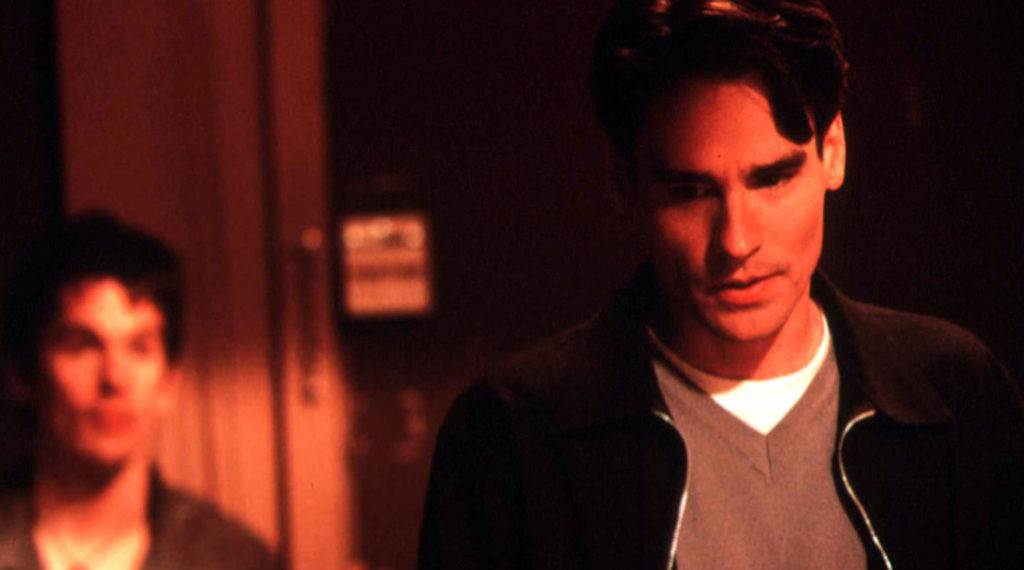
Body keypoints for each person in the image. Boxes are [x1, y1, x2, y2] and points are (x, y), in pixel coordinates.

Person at [418, 1, 1024, 568]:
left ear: (833, 151)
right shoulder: (511, 441)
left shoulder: (956, 395)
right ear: (625, 186)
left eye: (773, 180)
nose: (736, 241)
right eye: (690, 192)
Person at [0, 213, 278, 570]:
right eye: (82, 346)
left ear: (169, 381)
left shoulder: (235, 560)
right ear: (21, 376)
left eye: (139, 348)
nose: (114, 378)